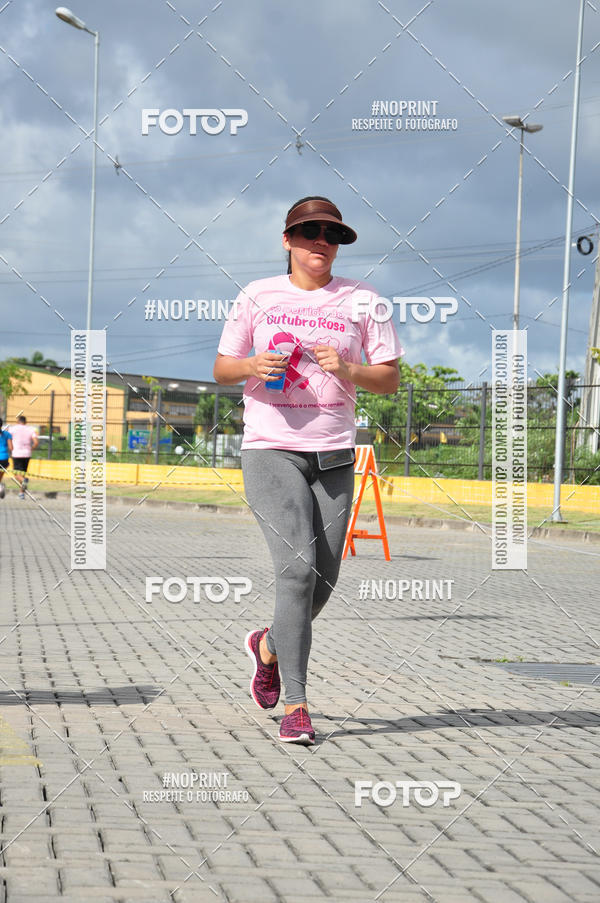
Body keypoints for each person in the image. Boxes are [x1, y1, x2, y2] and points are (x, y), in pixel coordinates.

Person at [214, 196, 402, 744]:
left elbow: (388, 379)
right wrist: (251, 365)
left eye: (332, 234)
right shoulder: (257, 295)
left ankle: (268, 645)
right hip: (270, 449)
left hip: (335, 453)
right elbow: (223, 367)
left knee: (323, 579)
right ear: (287, 240)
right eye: (310, 231)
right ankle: (297, 706)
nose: (321, 241)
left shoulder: (365, 301)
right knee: (296, 571)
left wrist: (348, 368)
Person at [10, 415, 38, 499]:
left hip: (17, 453)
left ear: (18, 421)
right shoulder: (31, 429)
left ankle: (23, 481)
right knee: (23, 473)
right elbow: (36, 442)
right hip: (27, 454)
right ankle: (21, 494)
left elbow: (7, 438)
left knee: (16, 474)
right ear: (25, 422)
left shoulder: (13, 429)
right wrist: (31, 449)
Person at [0, 418, 12, 499]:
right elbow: (11, 447)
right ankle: (0, 487)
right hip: (4, 458)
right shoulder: (7, 434)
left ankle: (0, 487)